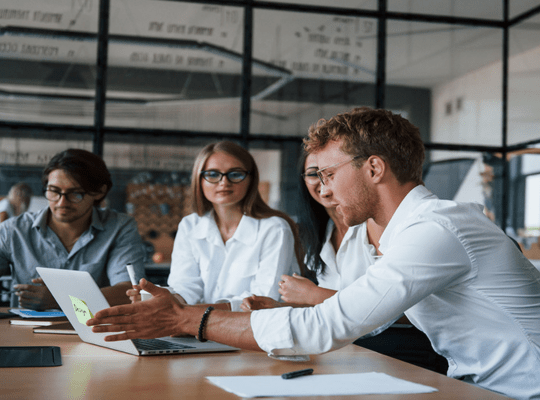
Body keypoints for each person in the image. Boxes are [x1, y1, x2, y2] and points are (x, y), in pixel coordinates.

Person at [88, 108, 540, 400]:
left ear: (375, 168)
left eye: (328, 173)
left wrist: (188, 320)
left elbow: (327, 325)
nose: (321, 189)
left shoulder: (436, 228)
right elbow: (371, 316)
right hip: (473, 387)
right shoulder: (395, 233)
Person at [130, 141, 303, 312]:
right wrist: (159, 299)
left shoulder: (274, 229)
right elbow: (185, 287)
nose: (224, 182)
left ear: (251, 180)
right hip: (198, 329)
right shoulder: (190, 225)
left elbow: (262, 300)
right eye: (212, 174)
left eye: (235, 174)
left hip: (255, 331)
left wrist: (188, 312)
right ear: (199, 180)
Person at [0, 148, 146, 310]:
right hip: (24, 332)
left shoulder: (119, 227)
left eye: (75, 194)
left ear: (99, 192)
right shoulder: (13, 230)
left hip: (96, 331)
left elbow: (130, 293)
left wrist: (61, 299)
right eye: (54, 191)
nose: (61, 203)